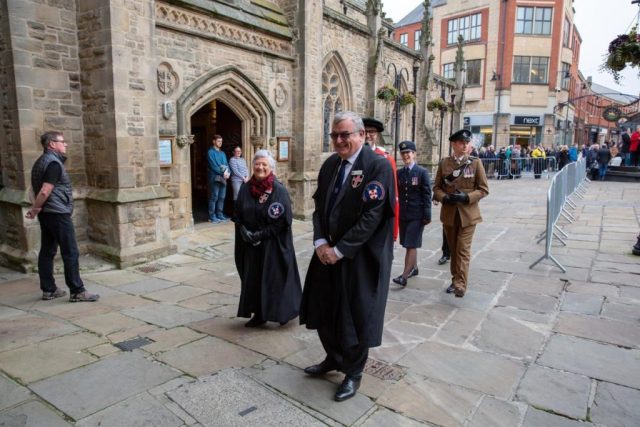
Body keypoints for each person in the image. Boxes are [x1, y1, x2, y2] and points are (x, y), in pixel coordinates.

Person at [300, 111, 395, 402]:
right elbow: (319, 207)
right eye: (335, 135)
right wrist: (320, 242)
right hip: (326, 253)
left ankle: (353, 372)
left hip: (359, 258)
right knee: (323, 308)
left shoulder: (377, 166)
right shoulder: (331, 164)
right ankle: (334, 357)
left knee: (354, 316)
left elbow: (372, 217)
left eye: (345, 135)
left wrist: (340, 250)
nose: (339, 140)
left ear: (361, 135)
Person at [25, 132, 99, 302]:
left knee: (47, 251)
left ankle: (49, 290)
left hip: (47, 214)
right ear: (52, 144)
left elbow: (33, 189)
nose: (65, 144)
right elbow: (45, 190)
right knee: (70, 251)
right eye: (62, 141)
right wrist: (35, 208)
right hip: (58, 213)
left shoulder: (40, 162)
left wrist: (38, 208)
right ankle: (77, 291)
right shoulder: (53, 164)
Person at [233, 150, 302, 327]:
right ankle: (259, 315)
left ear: (271, 167)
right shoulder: (245, 188)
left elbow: (283, 221)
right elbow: (237, 214)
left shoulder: (278, 190)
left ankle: (282, 312)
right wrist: (243, 230)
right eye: (257, 164)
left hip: (273, 245)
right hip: (252, 246)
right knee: (255, 280)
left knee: (274, 280)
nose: (260, 167)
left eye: (264, 164)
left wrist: (260, 235)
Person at [433, 130, 489, 298]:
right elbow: (436, 188)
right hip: (449, 214)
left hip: (468, 215)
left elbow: (484, 189)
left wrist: (467, 197)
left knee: (463, 249)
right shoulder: (444, 163)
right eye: (461, 143)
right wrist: (444, 198)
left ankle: (460, 284)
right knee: (453, 248)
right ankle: (455, 279)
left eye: (467, 142)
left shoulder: (475, 163)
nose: (465, 146)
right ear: (453, 144)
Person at [392, 141, 431, 287]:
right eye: (403, 153)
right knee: (407, 242)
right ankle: (414, 268)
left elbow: (427, 194)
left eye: (408, 152)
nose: (405, 155)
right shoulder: (399, 173)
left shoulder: (422, 172)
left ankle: (404, 276)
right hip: (404, 214)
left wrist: (427, 214)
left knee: (411, 244)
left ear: (414, 154)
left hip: (417, 215)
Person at [363, 117, 399, 241]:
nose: (367, 135)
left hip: (377, 218)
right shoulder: (350, 157)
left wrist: (393, 231)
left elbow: (393, 196)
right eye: (364, 131)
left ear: (377, 135)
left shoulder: (386, 160)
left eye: (372, 132)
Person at [207, 134, 230, 223]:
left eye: (221, 141)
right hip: (214, 177)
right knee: (214, 197)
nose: (220, 143)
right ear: (214, 141)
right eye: (218, 141)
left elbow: (226, 164)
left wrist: (228, 173)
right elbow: (213, 166)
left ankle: (220, 215)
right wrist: (223, 172)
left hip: (223, 177)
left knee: (222, 197)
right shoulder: (210, 152)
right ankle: (212, 216)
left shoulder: (222, 153)